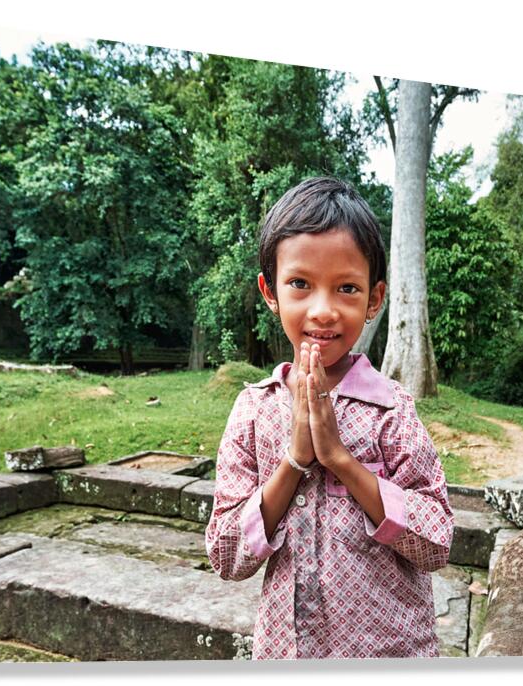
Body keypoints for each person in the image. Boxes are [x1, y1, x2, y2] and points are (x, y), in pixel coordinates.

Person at [205, 177, 453, 660]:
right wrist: (295, 461)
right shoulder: (254, 411)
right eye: (300, 284)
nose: (323, 311)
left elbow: (437, 542)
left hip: (391, 653)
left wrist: (341, 459)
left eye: (346, 288)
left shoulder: (392, 409)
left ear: (374, 299)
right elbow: (226, 556)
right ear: (269, 291)